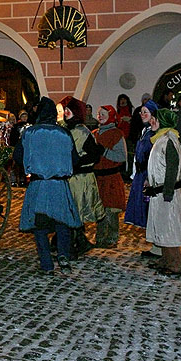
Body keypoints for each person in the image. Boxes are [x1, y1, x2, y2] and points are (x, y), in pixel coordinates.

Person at [14, 97, 81, 275]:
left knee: (40, 226)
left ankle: (46, 263)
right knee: (62, 222)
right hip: (59, 185)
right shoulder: (64, 134)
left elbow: (17, 157)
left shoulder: (30, 133)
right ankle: (64, 255)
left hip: (39, 185)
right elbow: (75, 159)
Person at [145, 108, 181, 275]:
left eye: (155, 119)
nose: (152, 121)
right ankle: (166, 259)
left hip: (166, 192)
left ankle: (176, 264)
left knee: (169, 228)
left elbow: (172, 167)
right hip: (159, 190)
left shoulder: (169, 139)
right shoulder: (161, 138)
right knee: (162, 227)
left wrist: (168, 191)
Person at [60, 95, 104, 258]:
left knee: (76, 210)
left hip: (81, 178)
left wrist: (76, 163)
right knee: (71, 211)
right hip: (72, 177)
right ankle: (74, 240)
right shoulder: (68, 130)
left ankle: (75, 242)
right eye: (65, 111)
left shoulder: (82, 132)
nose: (65, 113)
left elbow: (94, 155)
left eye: (68, 111)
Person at [125, 100, 161, 258]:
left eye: (146, 112)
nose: (142, 115)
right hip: (142, 176)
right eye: (141, 112)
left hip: (149, 177)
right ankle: (155, 244)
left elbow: (154, 157)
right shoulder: (145, 131)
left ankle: (159, 246)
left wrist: (149, 177)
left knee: (152, 208)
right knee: (146, 208)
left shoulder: (156, 133)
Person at [93, 105, 127, 249]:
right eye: (99, 113)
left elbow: (122, 156)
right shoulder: (94, 133)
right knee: (99, 209)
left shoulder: (116, 134)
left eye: (104, 113)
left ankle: (112, 237)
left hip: (111, 177)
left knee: (111, 209)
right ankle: (100, 237)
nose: (100, 116)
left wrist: (104, 151)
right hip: (97, 178)